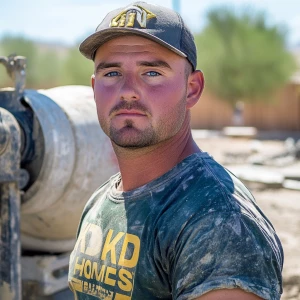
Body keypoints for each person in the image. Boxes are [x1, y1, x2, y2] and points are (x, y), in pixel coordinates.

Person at [68, 2, 283, 299]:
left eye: (152, 72)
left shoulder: (217, 221)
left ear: (192, 89)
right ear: (94, 89)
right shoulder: (100, 202)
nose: (128, 89)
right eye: (112, 73)